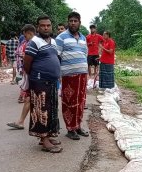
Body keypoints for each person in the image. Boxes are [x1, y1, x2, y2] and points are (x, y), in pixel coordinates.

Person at [24, 15, 62, 153]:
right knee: (41, 110)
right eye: (43, 25)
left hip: (52, 82)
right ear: (38, 27)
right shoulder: (34, 42)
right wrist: (36, 75)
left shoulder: (53, 41)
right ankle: (44, 140)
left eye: (48, 25)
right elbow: (27, 64)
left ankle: (48, 135)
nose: (46, 28)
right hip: (39, 82)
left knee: (51, 110)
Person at [56, 12, 89, 140]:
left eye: (75, 21)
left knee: (80, 102)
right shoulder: (61, 37)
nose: (73, 23)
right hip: (69, 76)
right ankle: (70, 129)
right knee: (69, 102)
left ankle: (78, 126)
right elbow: (57, 56)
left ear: (79, 22)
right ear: (68, 22)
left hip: (82, 75)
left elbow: (84, 54)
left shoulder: (83, 38)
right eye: (71, 21)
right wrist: (58, 74)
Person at [7, 24, 36, 129]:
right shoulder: (27, 43)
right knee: (29, 98)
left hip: (35, 75)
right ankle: (21, 122)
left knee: (32, 99)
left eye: (25, 35)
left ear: (29, 33)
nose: (24, 37)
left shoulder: (34, 43)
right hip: (30, 73)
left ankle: (38, 126)